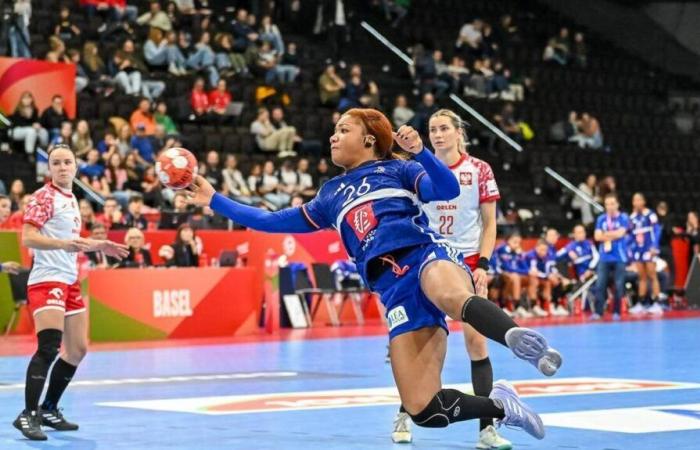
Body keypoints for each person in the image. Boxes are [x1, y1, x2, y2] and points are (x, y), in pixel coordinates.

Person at [186, 108, 561, 442]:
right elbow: (269, 220)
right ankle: (502, 407)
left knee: (450, 297)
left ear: (368, 139)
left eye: (343, 129)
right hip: (393, 289)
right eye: (334, 130)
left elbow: (445, 188)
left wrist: (422, 154)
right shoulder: (329, 195)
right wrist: (214, 200)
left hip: (424, 254)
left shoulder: (399, 168)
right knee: (425, 410)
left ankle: (513, 337)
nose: (333, 136)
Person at [391, 109, 511, 448]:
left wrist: (484, 265)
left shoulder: (479, 170)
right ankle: (404, 413)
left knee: (476, 343)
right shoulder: (417, 170)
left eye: (445, 128)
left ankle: (487, 429)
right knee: (421, 344)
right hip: (428, 260)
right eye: (433, 129)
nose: (439, 134)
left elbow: (489, 225)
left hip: (469, 261)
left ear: (459, 133)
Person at [13, 144, 128, 441]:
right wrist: (63, 246)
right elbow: (28, 237)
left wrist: (98, 245)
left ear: (76, 167)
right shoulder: (44, 196)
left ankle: (50, 408)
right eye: (56, 163)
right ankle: (28, 415)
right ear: (49, 169)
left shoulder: (72, 199)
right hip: (46, 279)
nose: (62, 167)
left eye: (67, 162)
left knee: (77, 349)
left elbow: (72, 239)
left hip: (69, 279)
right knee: (49, 346)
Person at [592, 193, 630, 321]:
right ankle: (598, 312)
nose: (610, 206)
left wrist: (605, 234)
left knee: (619, 286)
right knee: (600, 285)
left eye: (612, 203)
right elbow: (597, 237)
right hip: (604, 257)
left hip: (619, 257)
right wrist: (612, 234)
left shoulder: (624, 217)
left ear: (617, 204)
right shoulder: (601, 219)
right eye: (607, 204)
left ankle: (617, 312)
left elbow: (621, 233)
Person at [628, 193, 663, 315]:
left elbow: (657, 230)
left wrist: (654, 246)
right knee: (641, 277)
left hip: (649, 249)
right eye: (634, 200)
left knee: (652, 275)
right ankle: (641, 303)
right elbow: (630, 235)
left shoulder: (650, 214)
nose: (636, 202)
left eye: (639, 200)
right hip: (638, 250)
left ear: (643, 202)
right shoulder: (632, 218)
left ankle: (657, 303)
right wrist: (631, 251)